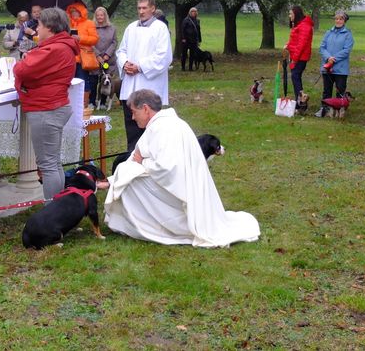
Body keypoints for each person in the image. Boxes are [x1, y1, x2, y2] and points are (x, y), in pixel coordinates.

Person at [102, 89, 260, 247]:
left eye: (134, 112)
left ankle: (145, 225)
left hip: (181, 192)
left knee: (131, 181)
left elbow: (166, 169)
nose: (132, 117)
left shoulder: (162, 127)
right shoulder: (164, 124)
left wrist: (142, 163)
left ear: (145, 108)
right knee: (126, 171)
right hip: (184, 185)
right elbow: (137, 159)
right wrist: (113, 180)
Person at [13, 7, 79, 199]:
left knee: (48, 165)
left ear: (49, 27)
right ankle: (59, 208)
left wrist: (24, 62)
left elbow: (22, 70)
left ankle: (52, 214)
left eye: (39, 25)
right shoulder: (61, 46)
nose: (37, 29)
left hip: (46, 109)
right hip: (54, 106)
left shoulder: (54, 48)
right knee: (54, 162)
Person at [115, 0, 172, 151]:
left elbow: (164, 56)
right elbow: (121, 51)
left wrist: (139, 67)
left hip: (149, 86)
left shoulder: (160, 28)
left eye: (144, 8)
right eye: (139, 8)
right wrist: (125, 63)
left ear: (152, 8)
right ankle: (131, 157)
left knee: (149, 129)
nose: (141, 11)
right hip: (130, 87)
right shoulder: (131, 27)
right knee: (132, 127)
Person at [315, 10, 354, 117]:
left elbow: (346, 50)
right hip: (327, 67)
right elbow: (322, 47)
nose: (338, 21)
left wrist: (334, 59)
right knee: (326, 90)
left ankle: (339, 112)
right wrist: (328, 58)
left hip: (341, 69)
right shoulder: (328, 32)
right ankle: (324, 110)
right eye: (336, 19)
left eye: (341, 19)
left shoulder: (348, 34)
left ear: (344, 21)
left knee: (340, 90)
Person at [66, 2, 99, 108]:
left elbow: (95, 39)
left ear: (82, 12)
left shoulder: (89, 23)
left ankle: (84, 106)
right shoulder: (67, 24)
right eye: (72, 12)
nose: (74, 14)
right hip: (69, 57)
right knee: (69, 81)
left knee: (83, 80)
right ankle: (71, 104)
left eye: (76, 12)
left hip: (82, 58)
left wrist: (80, 38)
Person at [283, 6, 314, 101]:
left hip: (300, 57)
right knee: (295, 77)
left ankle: (301, 98)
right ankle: (300, 99)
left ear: (296, 14)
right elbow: (294, 40)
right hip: (296, 56)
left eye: (291, 14)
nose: (289, 16)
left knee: (295, 76)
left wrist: (294, 60)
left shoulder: (304, 26)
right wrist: (288, 45)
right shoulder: (299, 24)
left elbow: (301, 45)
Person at [91, 6, 118, 107]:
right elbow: (90, 42)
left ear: (105, 16)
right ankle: (92, 101)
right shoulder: (91, 27)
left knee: (106, 80)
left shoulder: (112, 28)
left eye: (101, 15)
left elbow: (115, 42)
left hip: (108, 59)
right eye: (97, 15)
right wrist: (97, 55)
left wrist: (107, 54)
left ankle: (103, 102)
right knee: (94, 81)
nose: (99, 17)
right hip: (95, 58)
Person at [181, 7, 201, 71]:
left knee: (192, 54)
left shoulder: (197, 20)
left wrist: (199, 39)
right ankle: (183, 67)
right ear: (190, 12)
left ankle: (190, 68)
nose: (194, 12)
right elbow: (183, 29)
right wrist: (183, 38)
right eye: (192, 11)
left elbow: (198, 30)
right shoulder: (186, 20)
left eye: (195, 11)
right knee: (184, 54)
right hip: (186, 40)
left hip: (194, 40)